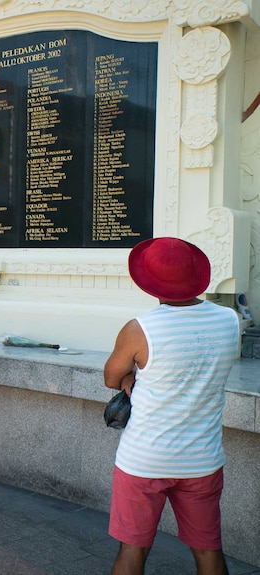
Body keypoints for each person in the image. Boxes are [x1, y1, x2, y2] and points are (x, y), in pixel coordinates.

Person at [104, 237, 240, 575]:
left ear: (149, 282)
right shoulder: (230, 320)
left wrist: (131, 376)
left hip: (143, 460)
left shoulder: (141, 329)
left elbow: (111, 377)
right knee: (208, 552)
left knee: (132, 551)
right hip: (202, 460)